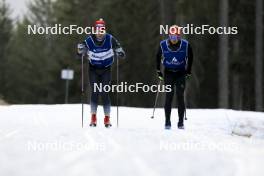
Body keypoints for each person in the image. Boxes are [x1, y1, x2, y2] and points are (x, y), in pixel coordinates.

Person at [77, 18, 125, 128]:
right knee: (95, 91)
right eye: (98, 30)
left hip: (106, 69)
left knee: (104, 92)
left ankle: (107, 118)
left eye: (102, 30)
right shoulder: (89, 40)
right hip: (93, 69)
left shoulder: (110, 39)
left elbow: (120, 50)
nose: (100, 32)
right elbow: (79, 52)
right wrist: (80, 51)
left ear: (104, 30)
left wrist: (120, 52)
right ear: (95, 30)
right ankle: (93, 117)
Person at [156, 25, 193, 130]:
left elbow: (191, 56)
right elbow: (158, 57)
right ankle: (167, 121)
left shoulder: (185, 45)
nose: (173, 39)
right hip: (168, 73)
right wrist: (158, 71)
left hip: (180, 73)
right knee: (169, 96)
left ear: (179, 36)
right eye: (171, 37)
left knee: (180, 96)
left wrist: (188, 70)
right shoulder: (163, 45)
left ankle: (181, 122)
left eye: (175, 37)